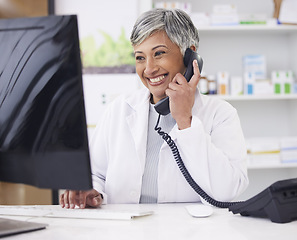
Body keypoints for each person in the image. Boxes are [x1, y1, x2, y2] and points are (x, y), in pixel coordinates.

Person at [60, 8, 249, 209]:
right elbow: (96, 174)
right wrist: (92, 191)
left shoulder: (220, 114)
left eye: (159, 53)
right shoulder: (119, 109)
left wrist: (186, 121)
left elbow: (227, 191)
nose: (149, 69)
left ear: (190, 55)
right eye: (140, 57)